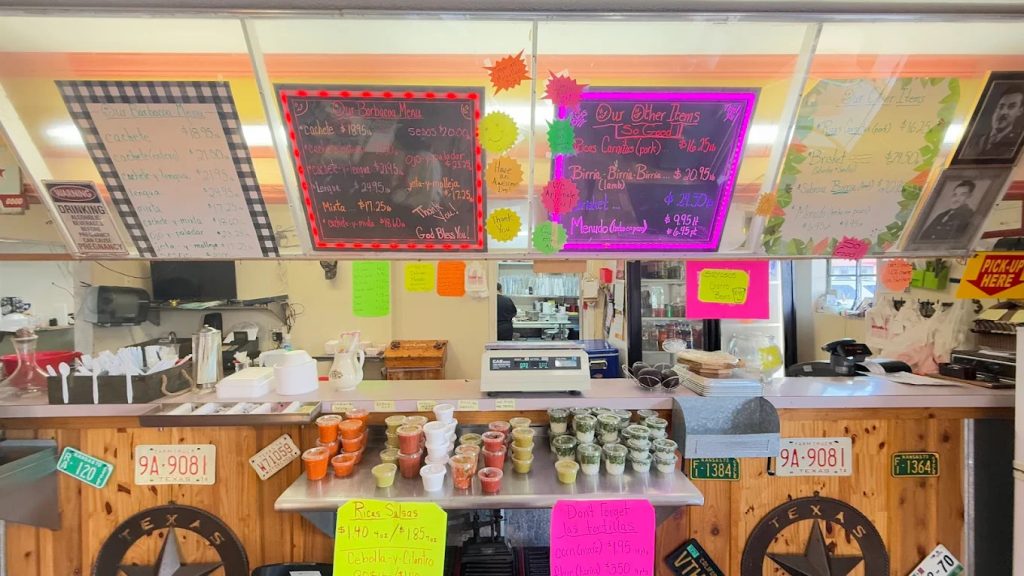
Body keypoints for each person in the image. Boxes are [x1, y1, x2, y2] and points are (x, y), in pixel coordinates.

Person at [964, 86, 1024, 159]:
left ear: (1020, 111)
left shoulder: (1016, 146)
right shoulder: (973, 141)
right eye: (1001, 107)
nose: (1003, 112)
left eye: (1011, 107)